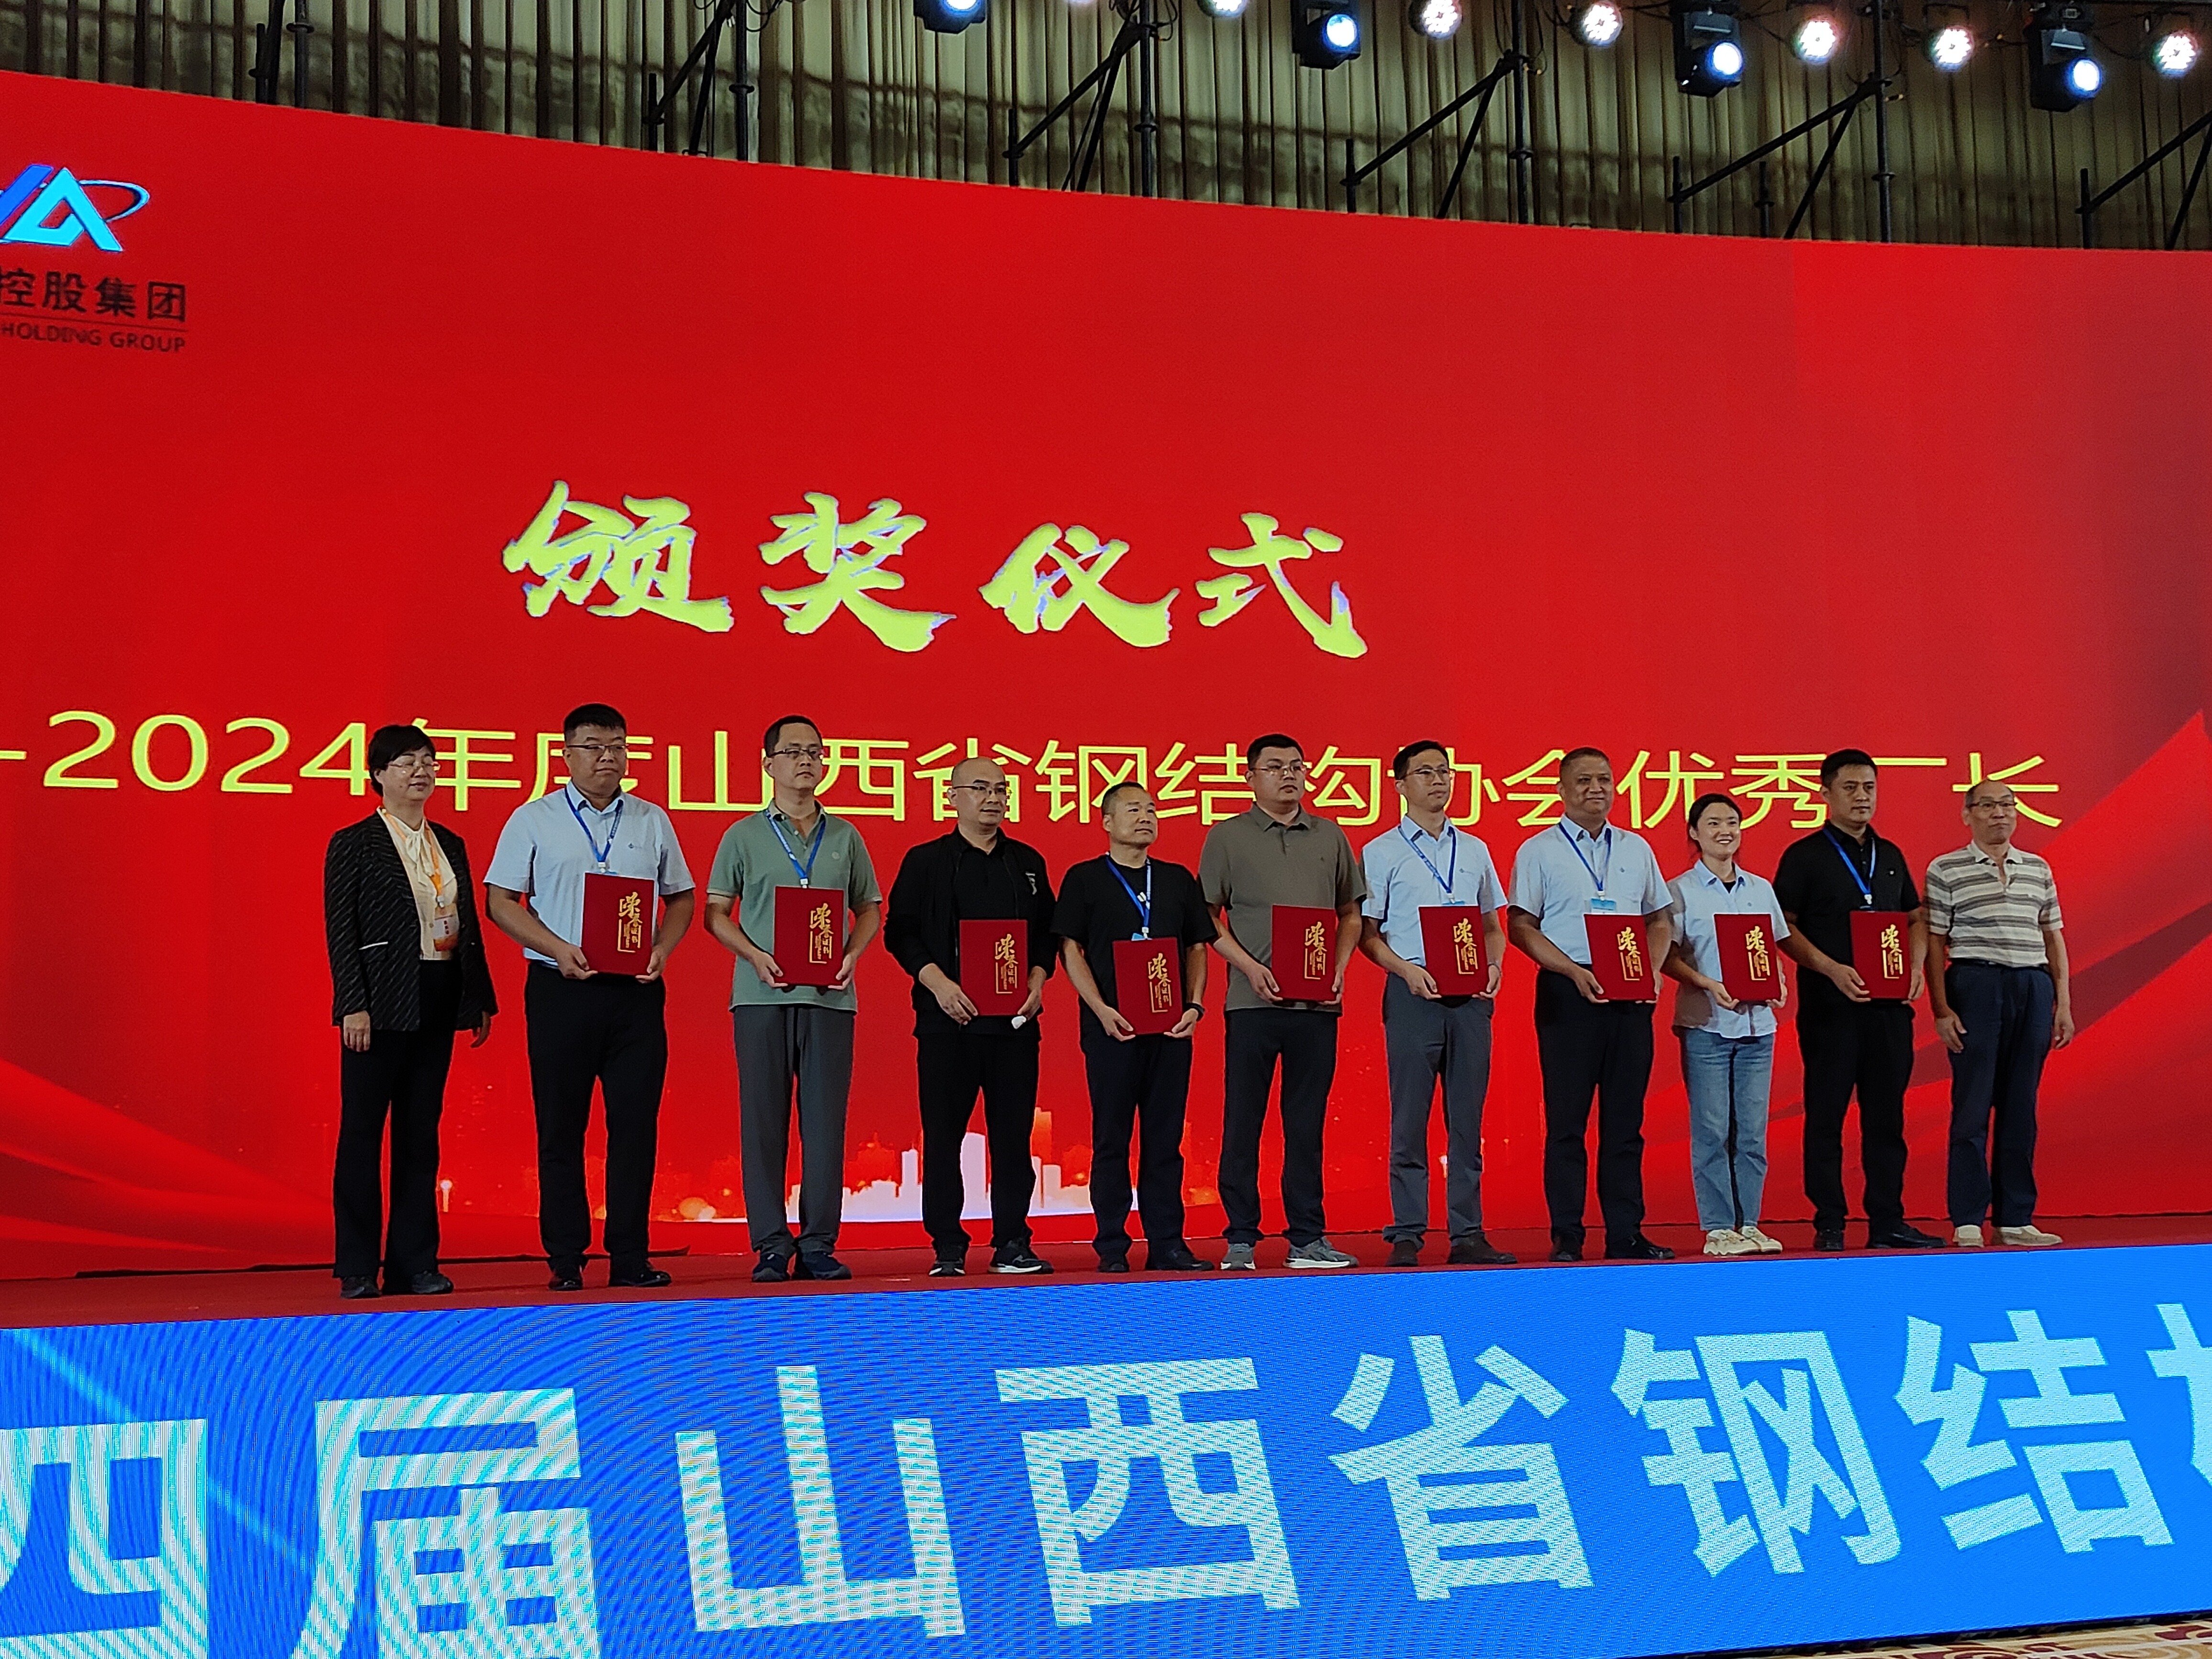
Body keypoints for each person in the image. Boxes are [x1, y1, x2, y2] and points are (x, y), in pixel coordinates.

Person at [485, 702, 696, 1291]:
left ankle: (630, 1255)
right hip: (562, 989)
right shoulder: (534, 819)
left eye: (618, 747)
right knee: (561, 1127)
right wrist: (555, 947)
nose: (608, 758)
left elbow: (680, 896)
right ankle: (565, 1257)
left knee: (635, 1126)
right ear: (566, 755)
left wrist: (662, 948)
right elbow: (500, 901)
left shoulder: (651, 820)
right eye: (595, 747)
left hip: (634, 994)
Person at [704, 714, 883, 1285]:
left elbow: (869, 909)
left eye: (815, 752)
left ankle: (819, 1243)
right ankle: (770, 1245)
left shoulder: (846, 837)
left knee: (825, 1125)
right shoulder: (743, 835)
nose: (806, 761)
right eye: (793, 752)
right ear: (768, 764)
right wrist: (755, 956)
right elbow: (715, 913)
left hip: (830, 997)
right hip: (761, 995)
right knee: (763, 1122)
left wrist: (852, 954)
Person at [323, 725, 497, 1300]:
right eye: (406, 762)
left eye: (429, 761)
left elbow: (466, 928)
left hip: (439, 991)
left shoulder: (451, 843)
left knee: (420, 1135)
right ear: (378, 775)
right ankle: (356, 1266)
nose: (421, 772)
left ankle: (414, 1264)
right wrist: (352, 1004)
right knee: (362, 1133)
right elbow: (341, 932)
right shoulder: (354, 843)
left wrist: (477, 998)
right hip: (379, 1001)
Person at [1198, 733, 1366, 1271]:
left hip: (1316, 1006)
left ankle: (1307, 1238)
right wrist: (1250, 968)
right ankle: (1241, 1238)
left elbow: (1350, 914)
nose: (1288, 775)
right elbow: (1206, 919)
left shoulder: (1329, 835)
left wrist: (1339, 968)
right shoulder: (1228, 837)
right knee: (1243, 1121)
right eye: (1275, 767)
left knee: (1306, 1124)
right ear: (1250, 777)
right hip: (1252, 1003)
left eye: (1296, 766)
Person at [885, 756, 1057, 1277]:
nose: (992, 798)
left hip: (1014, 1026)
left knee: (1013, 1138)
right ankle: (948, 1246)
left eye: (1001, 790)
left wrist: (1038, 980)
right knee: (943, 1137)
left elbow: (1047, 934)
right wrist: (937, 983)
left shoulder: (1027, 862)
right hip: (947, 1023)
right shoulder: (926, 861)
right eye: (980, 788)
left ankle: (1012, 1242)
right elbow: (900, 931)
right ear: (952, 796)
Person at [1504, 747, 1676, 1262]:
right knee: (1567, 1123)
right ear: (1561, 790)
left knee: (1626, 1122)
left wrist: (1650, 969)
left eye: (1604, 779)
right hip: (1568, 992)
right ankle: (1568, 1234)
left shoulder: (1636, 848)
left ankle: (1626, 1232)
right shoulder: (1538, 850)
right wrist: (1572, 971)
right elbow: (1521, 926)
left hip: (1630, 994)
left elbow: (1659, 919)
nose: (1595, 788)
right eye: (1583, 780)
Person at [1772, 749, 1943, 1251]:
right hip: (1831, 1008)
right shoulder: (1803, 856)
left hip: (1888, 1011)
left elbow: (1915, 917)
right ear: (1825, 793)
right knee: (1826, 1117)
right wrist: (1830, 968)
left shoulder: (1889, 855)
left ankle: (1888, 1220)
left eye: (1869, 787)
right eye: (1850, 788)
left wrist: (1914, 966)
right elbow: (1783, 928)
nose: (1861, 797)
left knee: (1886, 1119)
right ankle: (1829, 1221)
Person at [1358, 740, 1514, 1268]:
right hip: (1413, 995)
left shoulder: (1474, 849)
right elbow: (1369, 935)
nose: (1438, 781)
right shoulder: (1380, 851)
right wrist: (1406, 970)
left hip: (1470, 999)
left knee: (1467, 1121)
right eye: (1424, 772)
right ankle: (1407, 1232)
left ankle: (1468, 1231)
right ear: (1400, 785)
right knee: (1409, 1118)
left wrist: (1494, 966)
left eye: (1444, 771)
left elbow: (1492, 924)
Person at [1052, 783, 1217, 1274]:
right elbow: (1070, 950)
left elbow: (1196, 947)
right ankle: (1111, 1246)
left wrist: (1194, 1005)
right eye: (1132, 809)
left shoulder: (1177, 879)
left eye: (1151, 809)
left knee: (1165, 1140)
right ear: (1106, 822)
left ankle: (1168, 1243)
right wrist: (1101, 1009)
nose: (1145, 817)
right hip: (1113, 1030)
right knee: (1111, 1139)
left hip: (1170, 1030)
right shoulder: (1084, 878)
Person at [1925, 781, 2074, 1248]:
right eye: (1988, 805)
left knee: (2021, 1105)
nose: (1999, 814)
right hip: (1976, 984)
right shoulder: (1945, 868)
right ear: (1967, 815)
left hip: (2032, 985)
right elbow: (1934, 941)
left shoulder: (2037, 868)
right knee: (1972, 1105)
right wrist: (1941, 1009)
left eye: (2007, 805)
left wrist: (2063, 1003)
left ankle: (2015, 1218)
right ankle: (1968, 1217)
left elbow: (2052, 937)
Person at [1660, 793, 1790, 1258]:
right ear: (1694, 833)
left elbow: (1770, 949)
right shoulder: (1678, 891)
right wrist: (1707, 983)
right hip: (1707, 1024)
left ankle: (1749, 1223)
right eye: (1713, 823)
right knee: (1712, 1130)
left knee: (1752, 1132)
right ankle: (1718, 1228)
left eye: (1732, 822)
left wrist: (1778, 982)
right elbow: (1667, 957)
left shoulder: (1761, 888)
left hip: (1758, 1026)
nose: (1725, 831)